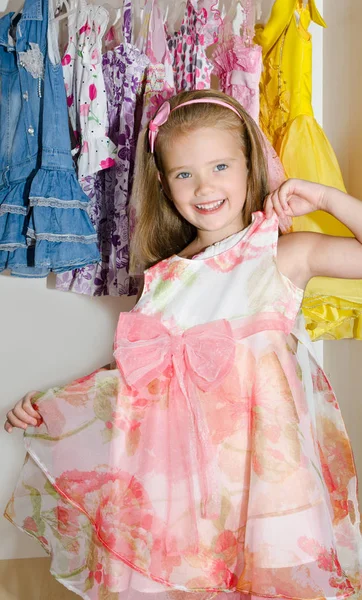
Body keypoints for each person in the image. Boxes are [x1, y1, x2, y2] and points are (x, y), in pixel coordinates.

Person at [3, 90, 362, 600]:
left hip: (265, 486)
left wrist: (323, 198)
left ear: (249, 165)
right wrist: (54, 409)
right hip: (176, 491)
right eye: (184, 173)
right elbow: (132, 378)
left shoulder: (280, 255)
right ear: (163, 183)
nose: (205, 186)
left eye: (220, 165)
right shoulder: (164, 279)